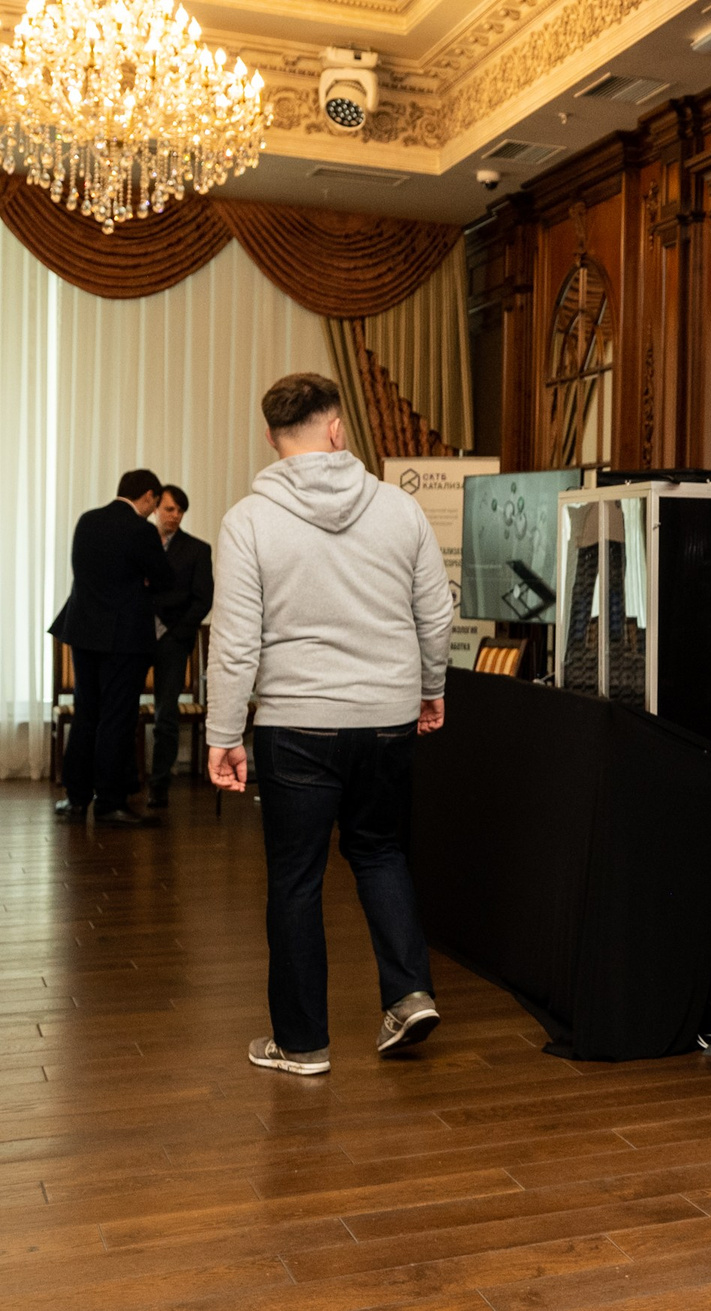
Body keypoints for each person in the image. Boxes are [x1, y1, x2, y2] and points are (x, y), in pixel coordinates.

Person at [206, 373, 452, 1077]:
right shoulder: (399, 509)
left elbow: (235, 642)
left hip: (297, 723)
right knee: (380, 852)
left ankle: (303, 1043)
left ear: (271, 437)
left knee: (295, 879)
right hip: (387, 717)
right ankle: (408, 993)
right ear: (338, 428)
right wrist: (430, 689)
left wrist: (224, 734)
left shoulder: (249, 520)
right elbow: (436, 613)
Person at [50, 469, 175, 827]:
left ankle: (76, 799)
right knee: (117, 718)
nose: (154, 510)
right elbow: (164, 580)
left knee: (86, 714)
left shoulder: (87, 521)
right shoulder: (141, 530)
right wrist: (143, 579)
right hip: (124, 637)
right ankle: (109, 802)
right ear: (148, 496)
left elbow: (83, 572)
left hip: (83, 631)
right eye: (155, 503)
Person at [147, 484, 214, 809]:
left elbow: (203, 599)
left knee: (166, 715)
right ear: (156, 507)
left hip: (173, 640)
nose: (175, 515)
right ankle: (121, 782)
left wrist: (177, 634)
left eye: (180, 510)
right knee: (120, 711)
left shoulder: (197, 549)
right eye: (170, 509)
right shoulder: (140, 542)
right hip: (135, 636)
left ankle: (159, 786)